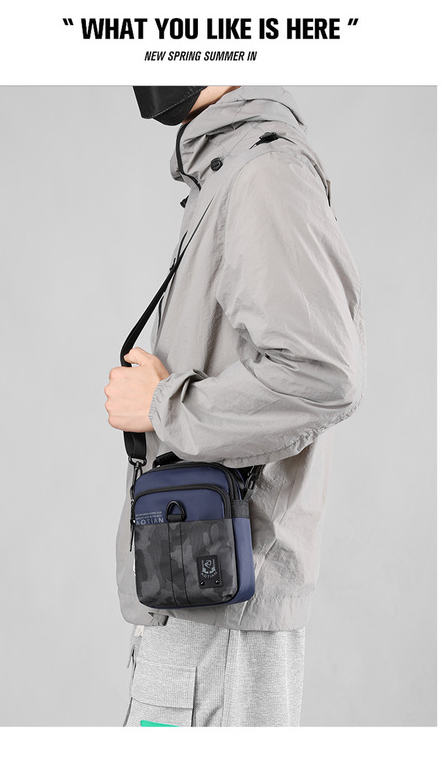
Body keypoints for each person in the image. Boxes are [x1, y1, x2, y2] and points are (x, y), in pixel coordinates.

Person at [104, 85, 366, 727]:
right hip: (196, 592)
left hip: (219, 616)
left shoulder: (264, 175)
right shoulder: (227, 174)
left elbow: (322, 373)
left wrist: (162, 405)